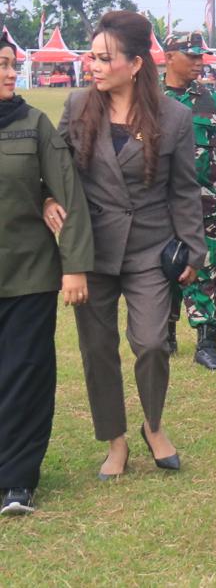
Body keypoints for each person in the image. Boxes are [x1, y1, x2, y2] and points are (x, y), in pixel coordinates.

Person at [47, 11, 206, 482]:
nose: (92, 65)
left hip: (149, 248)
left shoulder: (174, 117)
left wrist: (193, 250)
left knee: (153, 342)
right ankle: (115, 441)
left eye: (104, 58)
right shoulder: (77, 106)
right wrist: (48, 199)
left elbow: (184, 189)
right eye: (91, 56)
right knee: (98, 349)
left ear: (135, 64)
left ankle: (153, 424)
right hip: (90, 249)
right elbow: (55, 169)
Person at [0, 31, 93, 516]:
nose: (12, 73)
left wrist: (74, 265)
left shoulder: (33, 124)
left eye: (12, 64)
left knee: (25, 375)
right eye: (2, 65)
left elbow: (69, 195)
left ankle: (17, 479)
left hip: (29, 274)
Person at [162, 31, 216, 370]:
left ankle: (207, 341)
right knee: (161, 267)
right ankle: (165, 334)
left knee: (208, 269)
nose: (199, 62)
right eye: (191, 55)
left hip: (206, 201)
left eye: (200, 55)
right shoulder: (148, 99)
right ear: (168, 56)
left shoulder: (214, 101)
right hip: (160, 203)